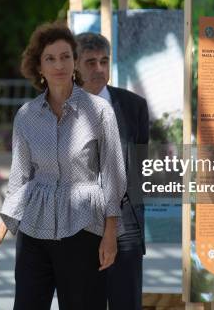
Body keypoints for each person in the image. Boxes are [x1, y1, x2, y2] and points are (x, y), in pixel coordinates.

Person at [0, 22, 127, 310]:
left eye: (65, 56)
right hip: (35, 228)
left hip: (85, 226)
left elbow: (113, 175)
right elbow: (20, 180)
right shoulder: (26, 116)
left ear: (74, 62)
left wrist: (110, 235)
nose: (59, 64)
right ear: (39, 67)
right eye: (50, 58)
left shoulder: (99, 111)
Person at [74, 32, 149, 310]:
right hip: (77, 224)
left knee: (126, 302)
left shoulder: (133, 106)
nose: (99, 69)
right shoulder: (62, 107)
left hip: (125, 224)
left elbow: (139, 165)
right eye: (90, 62)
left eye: (104, 61)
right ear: (75, 66)